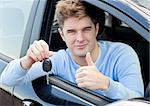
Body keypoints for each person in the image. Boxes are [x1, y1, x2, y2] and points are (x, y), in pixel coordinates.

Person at [0, 0, 144, 100]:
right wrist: (28, 60)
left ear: (97, 29)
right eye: (71, 32)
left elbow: (137, 98)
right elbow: (6, 80)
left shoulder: (122, 54)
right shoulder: (60, 59)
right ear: (62, 35)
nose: (80, 38)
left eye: (86, 29)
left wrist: (106, 84)